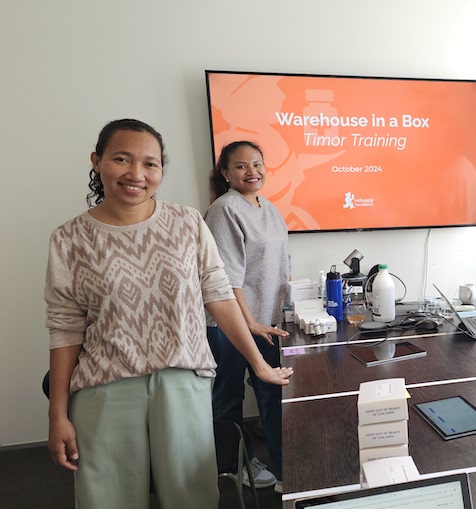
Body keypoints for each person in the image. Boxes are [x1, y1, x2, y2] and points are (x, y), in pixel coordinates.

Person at [45, 119, 294, 509]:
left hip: (183, 381)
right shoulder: (69, 238)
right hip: (105, 390)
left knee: (191, 496)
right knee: (108, 500)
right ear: (97, 161)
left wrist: (258, 364)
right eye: (122, 159)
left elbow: (218, 297)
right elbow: (64, 329)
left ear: (161, 170)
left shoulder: (187, 222)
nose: (136, 174)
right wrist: (57, 414)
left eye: (150, 164)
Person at [204, 140, 290, 491]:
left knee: (272, 394)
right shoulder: (225, 209)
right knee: (229, 397)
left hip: (264, 321)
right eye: (241, 166)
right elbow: (226, 278)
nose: (251, 171)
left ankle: (285, 470)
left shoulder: (267, 206)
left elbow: (277, 265)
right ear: (225, 173)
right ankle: (234, 466)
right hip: (230, 324)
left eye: (257, 163)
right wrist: (249, 322)